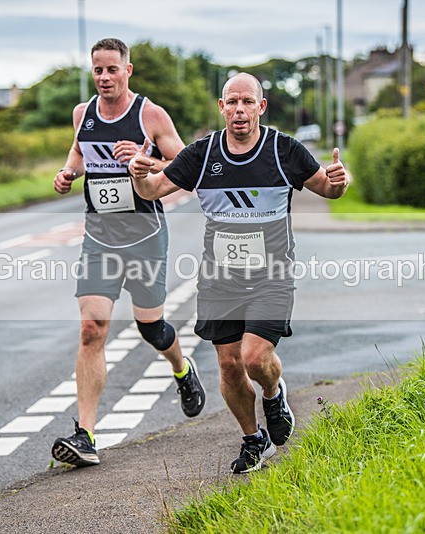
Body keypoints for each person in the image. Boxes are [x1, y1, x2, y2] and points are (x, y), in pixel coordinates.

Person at [128, 72, 350, 473]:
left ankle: (273, 392)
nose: (239, 110)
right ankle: (254, 439)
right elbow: (153, 191)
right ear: (222, 108)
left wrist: (340, 181)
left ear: (261, 107)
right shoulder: (202, 153)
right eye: (232, 102)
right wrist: (139, 176)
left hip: (272, 273)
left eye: (247, 102)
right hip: (219, 277)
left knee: (253, 358)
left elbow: (327, 188)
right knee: (229, 365)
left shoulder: (283, 150)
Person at [50, 38, 206, 467]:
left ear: (127, 70)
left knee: (151, 329)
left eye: (112, 70)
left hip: (143, 236)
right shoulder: (83, 114)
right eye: (97, 70)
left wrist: (146, 163)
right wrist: (67, 173)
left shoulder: (149, 115)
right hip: (99, 236)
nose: (104, 78)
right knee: (91, 329)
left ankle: (182, 369)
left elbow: (186, 171)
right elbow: (79, 152)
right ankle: (85, 436)